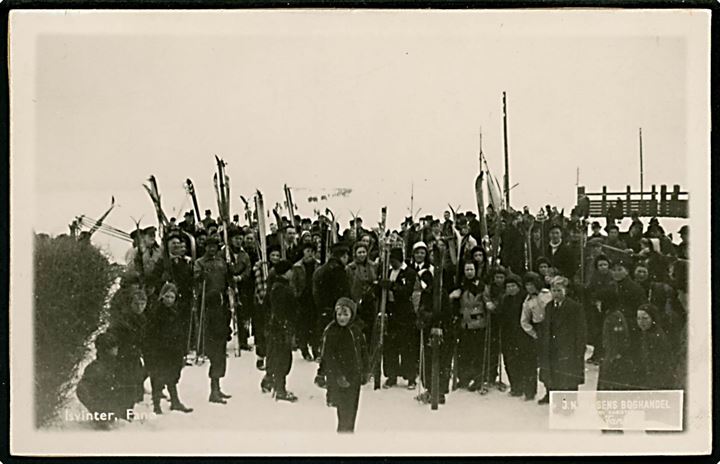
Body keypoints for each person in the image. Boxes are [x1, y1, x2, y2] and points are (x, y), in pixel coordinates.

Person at [143, 283, 193, 414]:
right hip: (160, 350)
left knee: (172, 376)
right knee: (158, 376)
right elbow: (151, 332)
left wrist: (182, 348)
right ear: (162, 297)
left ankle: (175, 401)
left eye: (172, 297)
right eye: (167, 296)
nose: (169, 300)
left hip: (173, 349)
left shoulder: (177, 311)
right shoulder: (156, 311)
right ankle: (156, 405)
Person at [321, 297, 370, 433]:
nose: (342, 318)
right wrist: (337, 375)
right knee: (343, 409)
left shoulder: (356, 331)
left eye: (345, 314)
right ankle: (343, 432)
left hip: (354, 375)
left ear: (352, 315)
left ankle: (350, 430)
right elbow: (328, 357)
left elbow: (363, 351)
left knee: (352, 407)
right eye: (339, 314)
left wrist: (366, 370)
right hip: (339, 377)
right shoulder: (332, 331)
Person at [194, 236, 233, 403]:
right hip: (208, 305)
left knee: (222, 345)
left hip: (222, 304)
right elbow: (195, 280)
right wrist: (200, 277)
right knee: (215, 348)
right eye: (209, 246)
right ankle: (213, 389)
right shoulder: (200, 263)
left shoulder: (221, 262)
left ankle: (217, 386)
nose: (212, 249)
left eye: (214, 247)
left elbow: (227, 278)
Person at [537, 276, 587, 404]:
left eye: (559, 290)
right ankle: (550, 393)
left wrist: (579, 349)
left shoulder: (575, 307)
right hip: (551, 346)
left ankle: (569, 402)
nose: (556, 293)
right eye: (554, 290)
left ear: (565, 291)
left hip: (568, 347)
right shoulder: (549, 306)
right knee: (551, 372)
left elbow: (580, 330)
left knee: (567, 376)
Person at [312, 243, 351, 387]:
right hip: (336, 313)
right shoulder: (339, 271)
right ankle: (329, 375)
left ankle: (321, 373)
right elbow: (344, 294)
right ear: (343, 256)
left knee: (327, 343)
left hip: (323, 311)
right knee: (335, 346)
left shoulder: (321, 270)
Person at [380, 247, 419, 389]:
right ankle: (391, 375)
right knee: (391, 345)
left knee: (407, 346)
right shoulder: (388, 272)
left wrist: (392, 286)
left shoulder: (409, 273)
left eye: (394, 261)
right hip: (391, 311)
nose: (392, 263)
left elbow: (407, 291)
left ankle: (410, 377)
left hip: (404, 313)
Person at [263, 260, 299, 401]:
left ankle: (269, 381)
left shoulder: (277, 286)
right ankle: (280, 389)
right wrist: (285, 325)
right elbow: (280, 310)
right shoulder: (281, 288)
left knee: (276, 355)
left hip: (278, 327)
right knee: (282, 358)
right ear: (286, 272)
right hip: (281, 328)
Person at [106, 288, 148, 410]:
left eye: (143, 304)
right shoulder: (124, 319)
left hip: (133, 355)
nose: (140, 307)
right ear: (130, 304)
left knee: (135, 381)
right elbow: (113, 336)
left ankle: (128, 409)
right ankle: (123, 410)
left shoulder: (142, 318)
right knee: (126, 384)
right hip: (123, 356)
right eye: (136, 304)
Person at [450, 261, 488, 391]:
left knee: (477, 352)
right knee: (464, 352)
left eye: (471, 269)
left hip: (477, 323)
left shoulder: (480, 285)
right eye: (467, 270)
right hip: (464, 323)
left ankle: (478, 378)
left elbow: (486, 300)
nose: (469, 272)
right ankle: (464, 377)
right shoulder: (460, 285)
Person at [76, 332, 127, 427]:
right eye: (114, 346)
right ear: (107, 350)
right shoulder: (96, 368)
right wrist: (95, 408)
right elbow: (82, 390)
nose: (117, 349)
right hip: (102, 419)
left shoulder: (113, 365)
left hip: (113, 416)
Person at [500, 274, 536, 399]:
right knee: (511, 362)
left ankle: (529, 390)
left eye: (513, 286)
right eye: (508, 286)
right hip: (509, 336)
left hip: (524, 335)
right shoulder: (505, 300)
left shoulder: (525, 299)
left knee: (526, 362)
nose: (510, 289)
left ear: (519, 287)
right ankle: (516, 387)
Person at [290, 242, 321, 361]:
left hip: (315, 298)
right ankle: (304, 350)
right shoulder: (297, 267)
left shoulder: (318, 265)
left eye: (312, 251)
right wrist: (296, 295)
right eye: (307, 251)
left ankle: (315, 349)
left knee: (315, 325)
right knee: (303, 325)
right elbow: (293, 284)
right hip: (303, 300)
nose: (310, 254)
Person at [584, 254, 616, 365]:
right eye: (600, 265)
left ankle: (603, 355)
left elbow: (610, 292)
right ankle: (597, 354)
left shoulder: (612, 276)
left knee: (605, 331)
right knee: (596, 331)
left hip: (608, 307)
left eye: (605, 264)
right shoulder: (594, 277)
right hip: (596, 308)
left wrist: (599, 296)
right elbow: (589, 290)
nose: (603, 267)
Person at [634, 304, 674, 389]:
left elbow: (659, 364)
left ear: (652, 319)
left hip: (657, 380)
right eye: (638, 318)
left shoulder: (656, 336)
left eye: (645, 318)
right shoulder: (645, 334)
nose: (641, 322)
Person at [597, 300, 633, 391]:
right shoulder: (614, 316)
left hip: (612, 357)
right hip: (611, 355)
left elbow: (616, 338)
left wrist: (615, 354)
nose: (597, 305)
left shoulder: (612, 318)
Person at [610, 259, 645, 337]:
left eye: (620, 269)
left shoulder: (634, 288)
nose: (616, 272)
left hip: (630, 324)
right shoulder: (611, 286)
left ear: (627, 271)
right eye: (613, 270)